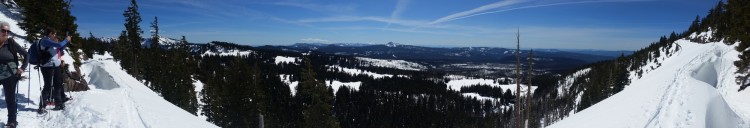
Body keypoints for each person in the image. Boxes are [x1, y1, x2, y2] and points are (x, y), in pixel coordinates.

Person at [37, 27, 71, 114]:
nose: (55, 35)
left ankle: (58, 103)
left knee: (58, 84)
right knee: (48, 86)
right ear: (50, 34)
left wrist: (66, 43)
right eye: (54, 34)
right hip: (47, 67)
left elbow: (59, 49)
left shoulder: (51, 43)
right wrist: (66, 40)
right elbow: (59, 45)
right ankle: (42, 106)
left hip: (56, 66)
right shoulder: (45, 41)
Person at [0, 21, 28, 127]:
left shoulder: (11, 43)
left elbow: (26, 54)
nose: (6, 33)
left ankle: (12, 121)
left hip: (10, 74)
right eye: (3, 30)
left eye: (8, 31)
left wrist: (22, 68)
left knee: (10, 98)